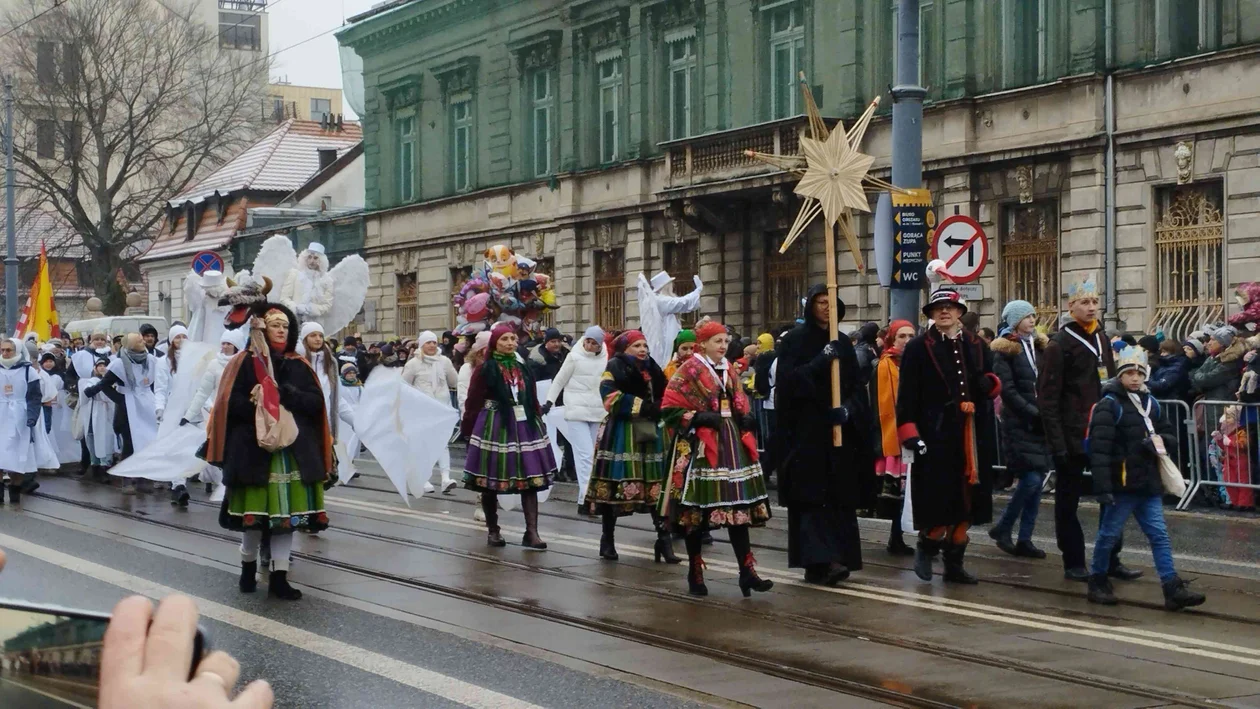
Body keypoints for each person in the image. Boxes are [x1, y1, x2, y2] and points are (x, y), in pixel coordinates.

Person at [204, 302, 332, 600]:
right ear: (259, 328)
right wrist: (256, 403)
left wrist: (288, 394)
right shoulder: (243, 363)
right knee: (255, 518)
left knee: (286, 521)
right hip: (253, 452)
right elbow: (228, 406)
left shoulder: (299, 364)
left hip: (292, 452)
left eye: (285, 326)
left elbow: (315, 404)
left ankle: (279, 577)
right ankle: (247, 569)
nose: (280, 330)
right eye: (275, 325)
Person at [1086, 346, 1206, 611]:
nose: (1135, 378)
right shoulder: (1109, 405)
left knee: (1159, 536)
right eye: (1129, 373)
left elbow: (1168, 433)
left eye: (1140, 373)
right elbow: (1100, 449)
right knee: (1108, 535)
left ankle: (1172, 588)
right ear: (1120, 375)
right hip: (1123, 484)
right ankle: (1097, 580)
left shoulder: (1151, 403)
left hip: (1148, 483)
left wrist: (1163, 442)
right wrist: (1103, 487)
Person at [1038, 277, 1141, 583]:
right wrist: (1056, 443)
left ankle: (1110, 558)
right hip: (1071, 436)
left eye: (1095, 302)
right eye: (1085, 302)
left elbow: (1112, 382)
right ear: (1071, 307)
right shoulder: (1059, 345)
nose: (1092, 307)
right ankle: (1073, 561)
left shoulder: (1103, 339)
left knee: (1112, 497)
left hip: (1104, 432)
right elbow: (1048, 398)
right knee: (1068, 502)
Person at [660, 320, 773, 597]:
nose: (723, 346)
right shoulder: (690, 368)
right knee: (697, 513)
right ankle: (695, 571)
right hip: (700, 444)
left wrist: (745, 417)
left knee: (738, 509)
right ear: (703, 344)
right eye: (717, 341)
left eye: (725, 341)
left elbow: (739, 400)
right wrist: (697, 417)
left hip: (731, 442)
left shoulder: (728, 370)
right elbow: (669, 407)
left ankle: (747, 571)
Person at [897, 286, 1000, 584]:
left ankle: (954, 565)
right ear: (930, 314)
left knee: (969, 502)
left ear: (959, 313)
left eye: (950, 308)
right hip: (936, 433)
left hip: (972, 433)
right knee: (940, 500)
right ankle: (927, 548)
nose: (944, 312)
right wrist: (910, 433)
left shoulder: (977, 344)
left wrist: (987, 385)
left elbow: (991, 382)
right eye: (937, 308)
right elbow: (907, 396)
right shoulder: (919, 347)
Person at [775, 286, 868, 585]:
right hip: (806, 433)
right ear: (810, 307)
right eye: (820, 302)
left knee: (839, 495)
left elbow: (855, 383)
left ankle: (839, 556)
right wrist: (818, 363)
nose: (826, 308)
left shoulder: (841, 341)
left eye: (831, 303)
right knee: (812, 497)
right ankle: (819, 560)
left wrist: (848, 409)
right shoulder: (794, 341)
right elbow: (788, 383)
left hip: (838, 433)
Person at [580, 329, 679, 563]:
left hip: (652, 430)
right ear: (625, 349)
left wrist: (662, 407)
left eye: (644, 345)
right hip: (623, 432)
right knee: (616, 485)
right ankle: (608, 539)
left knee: (658, 486)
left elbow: (668, 393)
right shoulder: (614, 366)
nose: (643, 349)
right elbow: (609, 396)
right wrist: (641, 406)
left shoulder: (653, 368)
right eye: (637, 346)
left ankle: (663, 540)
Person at [461, 323, 556, 549]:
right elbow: (473, 400)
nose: (510, 343)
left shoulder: (523, 368)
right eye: (504, 339)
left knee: (530, 479)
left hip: (523, 426)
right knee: (491, 480)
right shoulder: (486, 368)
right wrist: (469, 429)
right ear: (495, 343)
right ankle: (493, 531)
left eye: (513, 339)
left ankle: (531, 532)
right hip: (495, 424)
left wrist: (537, 420)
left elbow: (530, 397)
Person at [988, 300, 1051, 559]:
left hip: (1040, 422)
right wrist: (1031, 411)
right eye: (1026, 317)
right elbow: (1008, 389)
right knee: (1032, 479)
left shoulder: (1039, 347)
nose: (1031, 320)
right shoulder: (1005, 350)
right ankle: (1003, 526)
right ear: (1014, 321)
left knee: (1036, 483)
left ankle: (1025, 538)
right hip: (1018, 422)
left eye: (1033, 315)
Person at [543, 326, 608, 512]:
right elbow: (559, 380)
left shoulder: (605, 357)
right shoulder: (574, 356)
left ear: (600, 345)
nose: (589, 345)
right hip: (576, 412)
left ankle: (585, 500)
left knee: (595, 456)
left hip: (597, 411)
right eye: (587, 340)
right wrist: (549, 401)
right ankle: (588, 498)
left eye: (594, 343)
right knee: (585, 455)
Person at [86, 333, 160, 493]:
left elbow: (156, 383)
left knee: (148, 441)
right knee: (130, 443)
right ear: (130, 345)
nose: (143, 341)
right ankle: (127, 480)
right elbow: (105, 385)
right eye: (139, 340)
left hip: (146, 404)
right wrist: (120, 399)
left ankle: (144, 479)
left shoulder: (151, 360)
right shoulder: (119, 364)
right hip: (128, 407)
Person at [869, 319, 916, 556]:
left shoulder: (916, 363)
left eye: (911, 336)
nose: (907, 341)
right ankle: (896, 537)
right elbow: (881, 406)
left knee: (911, 491)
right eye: (902, 337)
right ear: (892, 339)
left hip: (915, 434)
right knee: (898, 493)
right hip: (894, 438)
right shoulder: (884, 366)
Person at [402, 330, 460, 493]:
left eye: (434, 342)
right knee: (424, 445)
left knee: (442, 443)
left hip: (441, 409)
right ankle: (423, 479)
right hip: (422, 411)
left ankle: (445, 478)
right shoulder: (414, 363)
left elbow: (454, 381)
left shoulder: (444, 361)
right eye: (428, 342)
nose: (432, 345)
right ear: (421, 344)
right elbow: (403, 385)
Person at [1, 337, 51, 505]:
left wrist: (31, 416)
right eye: (3, 350)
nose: (5, 353)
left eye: (9, 350)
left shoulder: (27, 371)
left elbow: (34, 397)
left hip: (20, 417)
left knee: (19, 456)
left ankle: (15, 493)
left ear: (18, 351)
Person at [637, 271, 704, 369]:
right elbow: (682, 303)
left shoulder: (658, 300)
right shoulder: (660, 300)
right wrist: (697, 291)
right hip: (665, 340)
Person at [78, 355, 119, 483]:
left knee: (106, 438)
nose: (102, 368)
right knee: (92, 437)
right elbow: (86, 394)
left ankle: (105, 465)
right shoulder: (92, 381)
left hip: (107, 412)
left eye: (105, 365)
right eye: (99, 365)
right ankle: (95, 465)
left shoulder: (115, 381)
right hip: (93, 411)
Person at [279, 242, 335, 324]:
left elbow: (327, 306)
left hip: (316, 324)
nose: (312, 261)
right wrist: (295, 308)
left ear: (321, 260)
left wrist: (310, 309)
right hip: (294, 322)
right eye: (309, 257)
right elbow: (284, 298)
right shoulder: (294, 274)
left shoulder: (327, 280)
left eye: (315, 258)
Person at [1190, 326, 1245, 402]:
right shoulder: (1212, 357)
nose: (1209, 343)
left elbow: (1206, 380)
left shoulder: (1230, 362)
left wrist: (1197, 377)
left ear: (1222, 343)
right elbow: (1198, 376)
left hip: (1222, 404)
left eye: (1213, 340)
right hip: (1211, 401)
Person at [154, 325, 190, 423]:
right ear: (171, 340)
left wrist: (209, 406)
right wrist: (159, 408)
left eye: (184, 337)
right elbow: (160, 388)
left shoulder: (193, 359)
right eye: (177, 337)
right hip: (172, 409)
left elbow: (200, 386)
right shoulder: (163, 362)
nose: (181, 340)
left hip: (191, 410)